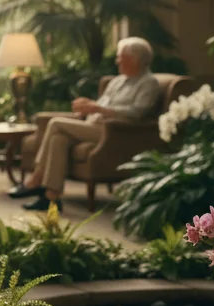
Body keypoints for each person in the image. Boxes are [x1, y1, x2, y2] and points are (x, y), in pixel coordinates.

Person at [9, 37, 161, 212]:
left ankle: (35, 179)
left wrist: (98, 108)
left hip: (114, 132)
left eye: (121, 56)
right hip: (93, 126)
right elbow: (102, 105)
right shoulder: (118, 81)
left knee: (56, 123)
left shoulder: (149, 83)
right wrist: (87, 108)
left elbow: (137, 113)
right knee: (59, 139)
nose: (117, 60)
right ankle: (51, 197)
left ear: (135, 59)